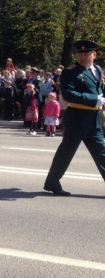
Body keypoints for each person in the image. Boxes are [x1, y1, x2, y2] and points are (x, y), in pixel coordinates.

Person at [43, 40, 105, 196]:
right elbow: (69, 94)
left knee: (102, 153)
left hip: (94, 120)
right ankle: (52, 182)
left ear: (94, 55)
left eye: (86, 54)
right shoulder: (70, 72)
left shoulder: (98, 69)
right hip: (77, 119)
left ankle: (51, 182)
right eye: (80, 54)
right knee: (66, 153)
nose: (82, 57)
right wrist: (94, 99)